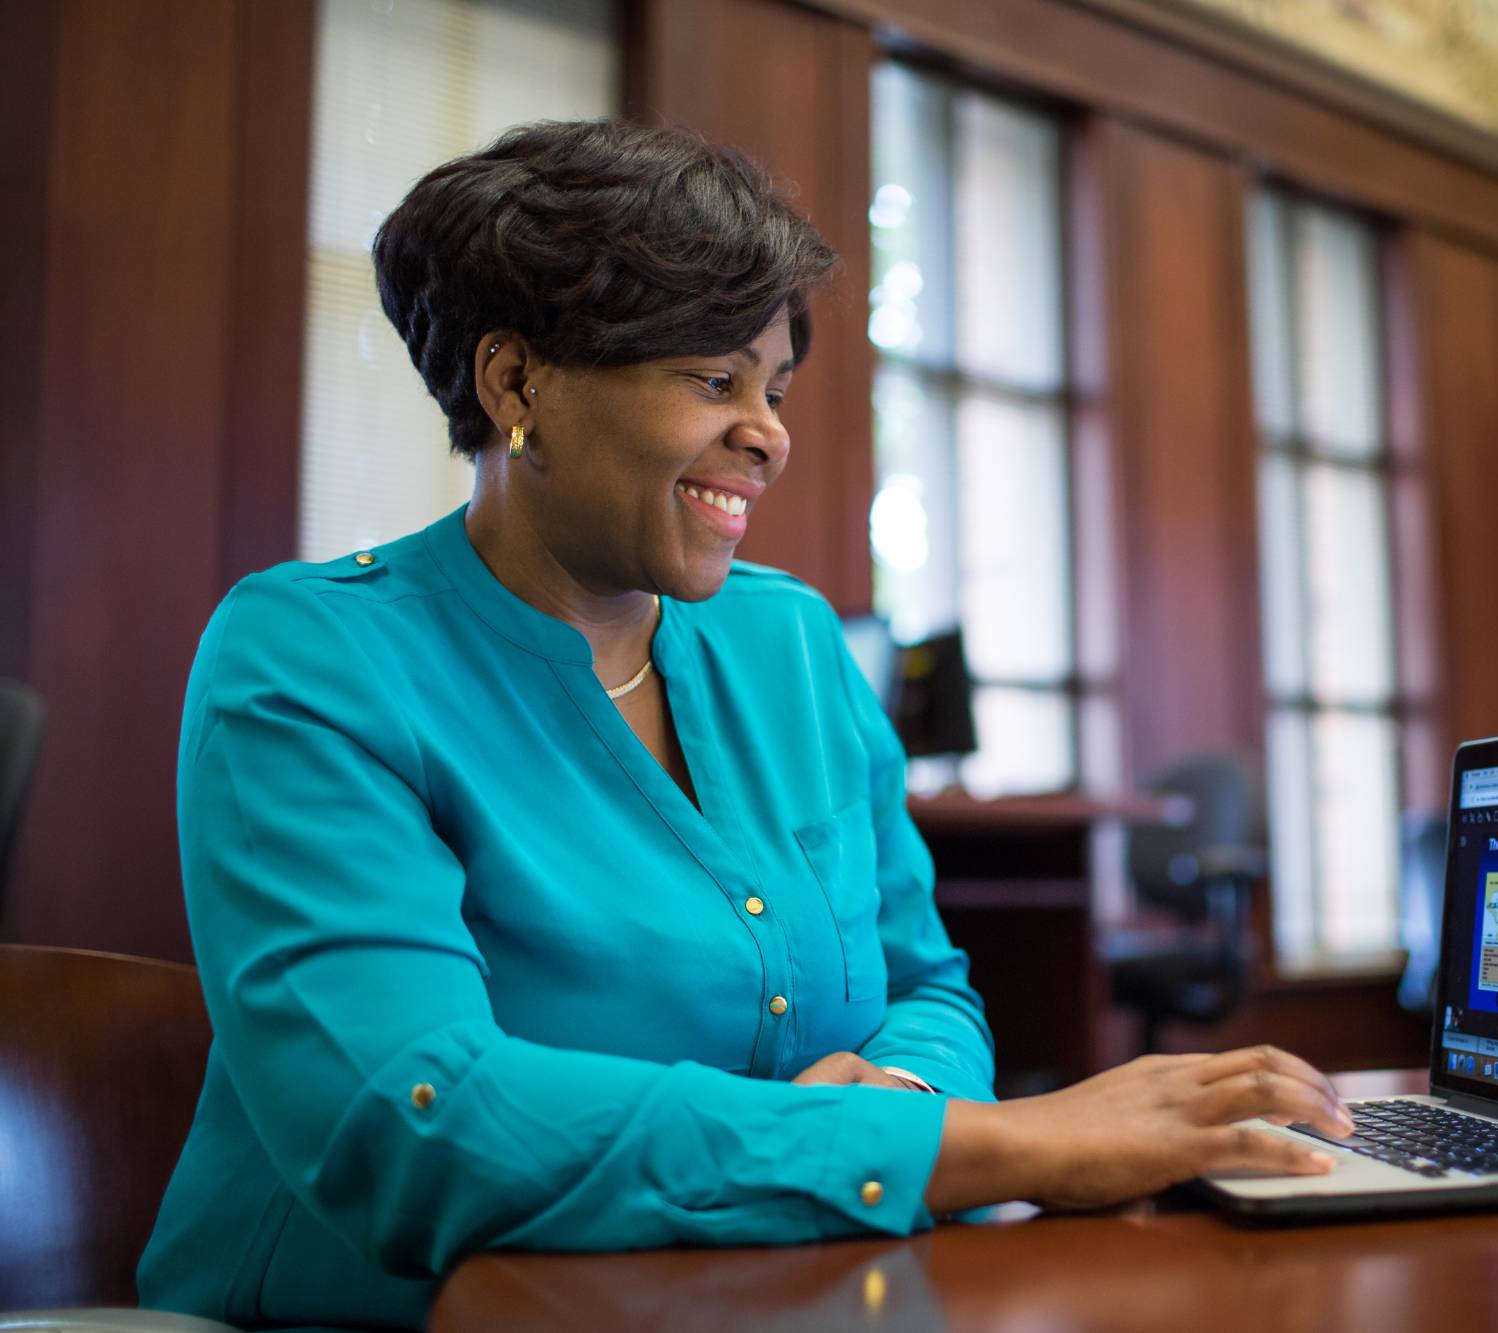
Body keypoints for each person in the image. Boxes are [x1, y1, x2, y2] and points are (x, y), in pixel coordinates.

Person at [138, 119, 1352, 1330]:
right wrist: (958, 1144)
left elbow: (926, 983)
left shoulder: (789, 643)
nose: (767, 431)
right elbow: (421, 1124)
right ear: (515, 383)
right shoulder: (311, 658)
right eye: (709, 380)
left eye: (772, 387)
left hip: (772, 1297)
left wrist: (909, 1086)